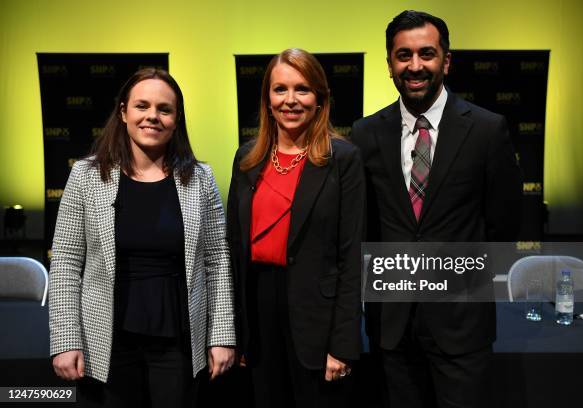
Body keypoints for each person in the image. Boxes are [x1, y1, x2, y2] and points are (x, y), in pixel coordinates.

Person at [350, 10, 522, 408]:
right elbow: (366, 229)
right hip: (391, 328)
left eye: (426, 54)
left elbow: (504, 227)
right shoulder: (365, 133)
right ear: (389, 64)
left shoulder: (486, 129)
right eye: (403, 55)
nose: (415, 66)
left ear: (446, 60)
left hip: (462, 327)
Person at [48, 67, 235, 407]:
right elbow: (65, 262)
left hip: (178, 341)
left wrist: (222, 336)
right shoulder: (85, 176)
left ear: (176, 119)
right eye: (142, 106)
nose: (153, 116)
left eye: (164, 109)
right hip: (105, 341)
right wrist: (64, 339)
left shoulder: (201, 179)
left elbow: (217, 261)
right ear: (123, 112)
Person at [227, 48, 365, 408]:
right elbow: (233, 250)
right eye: (280, 90)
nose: (290, 100)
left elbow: (351, 258)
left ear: (320, 99)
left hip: (316, 320)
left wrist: (343, 344)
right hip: (259, 314)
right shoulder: (246, 159)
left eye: (302, 89)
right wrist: (237, 334)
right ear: (267, 99)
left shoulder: (343, 159)